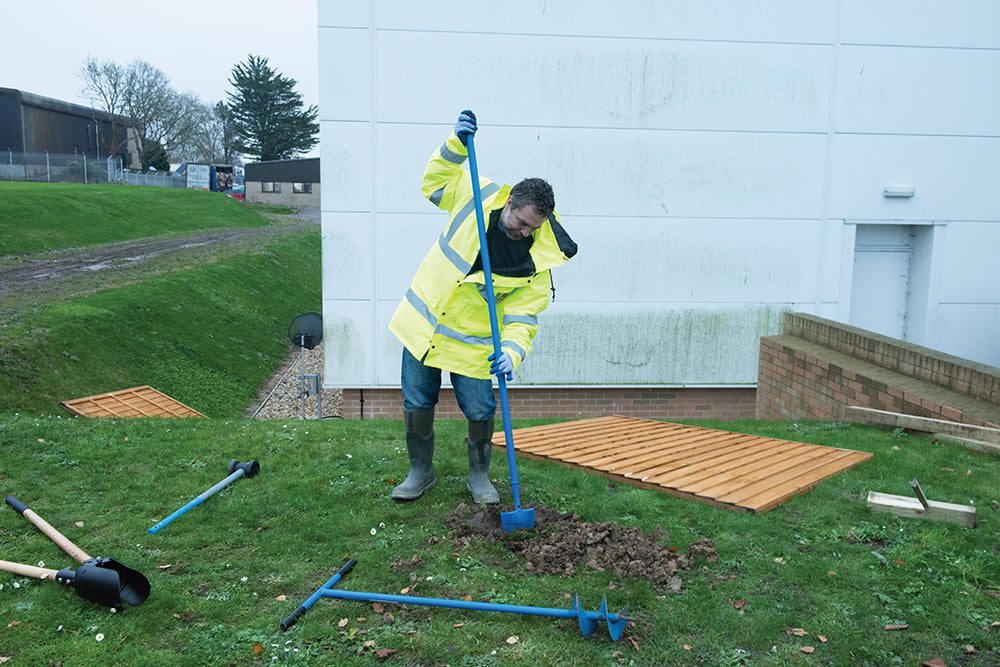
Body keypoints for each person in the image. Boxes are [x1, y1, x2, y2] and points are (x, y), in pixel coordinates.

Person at [388, 110, 577, 504]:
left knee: (479, 409)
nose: (524, 231)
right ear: (510, 201)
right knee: (417, 402)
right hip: (425, 327)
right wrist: (456, 145)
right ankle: (420, 472)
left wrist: (511, 353)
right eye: (521, 221)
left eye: (532, 227)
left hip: (474, 346)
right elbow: (434, 183)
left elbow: (524, 317)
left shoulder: (539, 258)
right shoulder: (476, 193)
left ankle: (479, 477)